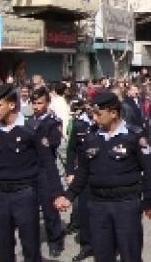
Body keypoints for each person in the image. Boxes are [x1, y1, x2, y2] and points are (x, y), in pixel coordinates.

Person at [55, 91, 151, 262]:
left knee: (130, 254)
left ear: (113, 113)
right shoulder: (90, 137)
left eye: (98, 113)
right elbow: (83, 171)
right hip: (98, 205)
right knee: (102, 255)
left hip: (126, 204)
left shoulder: (134, 136)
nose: (94, 118)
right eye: (92, 113)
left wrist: (150, 202)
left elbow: (150, 172)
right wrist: (69, 195)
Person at [0, 84, 64, 262]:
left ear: (12, 105)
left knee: (30, 244)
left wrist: (58, 194)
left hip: (25, 194)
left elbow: (48, 163)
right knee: (3, 244)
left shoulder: (31, 130)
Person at [25, 86, 66, 257]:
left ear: (47, 103)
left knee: (50, 208)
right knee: (29, 209)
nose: (36, 106)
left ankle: (55, 240)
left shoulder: (52, 121)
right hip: (29, 169)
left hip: (46, 169)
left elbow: (53, 142)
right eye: (33, 103)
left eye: (39, 103)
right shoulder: (27, 121)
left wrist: (40, 142)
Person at [64, 99, 97, 261]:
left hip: (100, 175)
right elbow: (71, 150)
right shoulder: (79, 125)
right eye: (90, 106)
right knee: (83, 210)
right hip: (83, 174)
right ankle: (87, 245)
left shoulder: (104, 125)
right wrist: (70, 171)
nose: (92, 109)